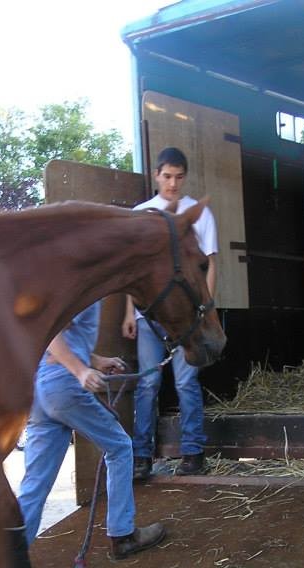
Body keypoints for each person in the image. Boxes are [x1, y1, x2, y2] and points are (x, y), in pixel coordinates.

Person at [17, 300, 166, 559]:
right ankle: (123, 535)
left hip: (41, 390)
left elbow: (62, 335)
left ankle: (10, 565)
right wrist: (80, 371)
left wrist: (95, 361)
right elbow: (51, 333)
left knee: (35, 482)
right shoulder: (79, 280)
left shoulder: (67, 277)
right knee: (120, 447)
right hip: (63, 385)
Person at [122, 147, 218, 480]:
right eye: (167, 176)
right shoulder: (141, 214)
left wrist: (204, 309)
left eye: (179, 177)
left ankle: (193, 452)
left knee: (186, 381)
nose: (173, 184)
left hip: (186, 316)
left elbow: (209, 264)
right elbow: (133, 274)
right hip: (149, 317)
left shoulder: (197, 213)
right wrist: (128, 314)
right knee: (147, 384)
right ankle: (141, 457)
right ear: (156, 176)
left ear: (185, 177)